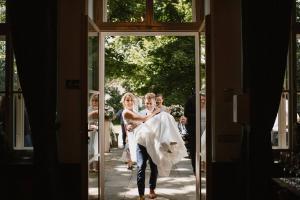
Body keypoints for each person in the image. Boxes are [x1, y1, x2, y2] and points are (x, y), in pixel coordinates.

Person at [121, 92, 188, 200]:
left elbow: (168, 125)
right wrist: (130, 126)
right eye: (146, 103)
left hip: (153, 143)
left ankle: (152, 189)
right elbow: (141, 120)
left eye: (150, 103)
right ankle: (141, 194)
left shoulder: (161, 114)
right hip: (141, 143)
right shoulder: (141, 113)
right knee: (141, 167)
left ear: (154, 103)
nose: (148, 105)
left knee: (154, 166)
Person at [88, 93, 99, 172]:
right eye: (93, 100)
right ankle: (90, 167)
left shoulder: (102, 109)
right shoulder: (89, 109)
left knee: (98, 148)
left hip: (98, 131)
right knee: (90, 148)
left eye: (96, 100)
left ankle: (98, 167)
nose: (94, 102)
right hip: (90, 131)